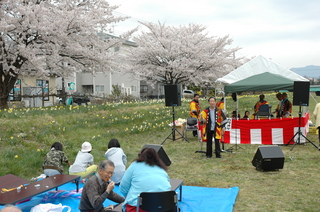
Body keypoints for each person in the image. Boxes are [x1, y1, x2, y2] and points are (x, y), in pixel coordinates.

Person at [120, 148, 171, 212]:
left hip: (138, 208)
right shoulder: (161, 168)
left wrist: (129, 197)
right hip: (162, 207)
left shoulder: (134, 165)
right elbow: (167, 188)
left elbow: (123, 187)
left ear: (140, 156)